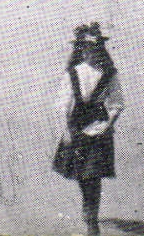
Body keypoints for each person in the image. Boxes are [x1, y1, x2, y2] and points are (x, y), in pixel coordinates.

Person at [52, 23, 124, 236]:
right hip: (76, 124)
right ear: (81, 51)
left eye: (96, 50)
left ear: (102, 51)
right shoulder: (73, 73)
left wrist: (109, 124)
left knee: (94, 173)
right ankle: (88, 204)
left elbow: (117, 102)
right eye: (87, 50)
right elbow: (63, 103)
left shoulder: (109, 74)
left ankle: (92, 217)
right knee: (82, 173)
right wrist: (65, 130)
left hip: (99, 125)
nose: (91, 54)